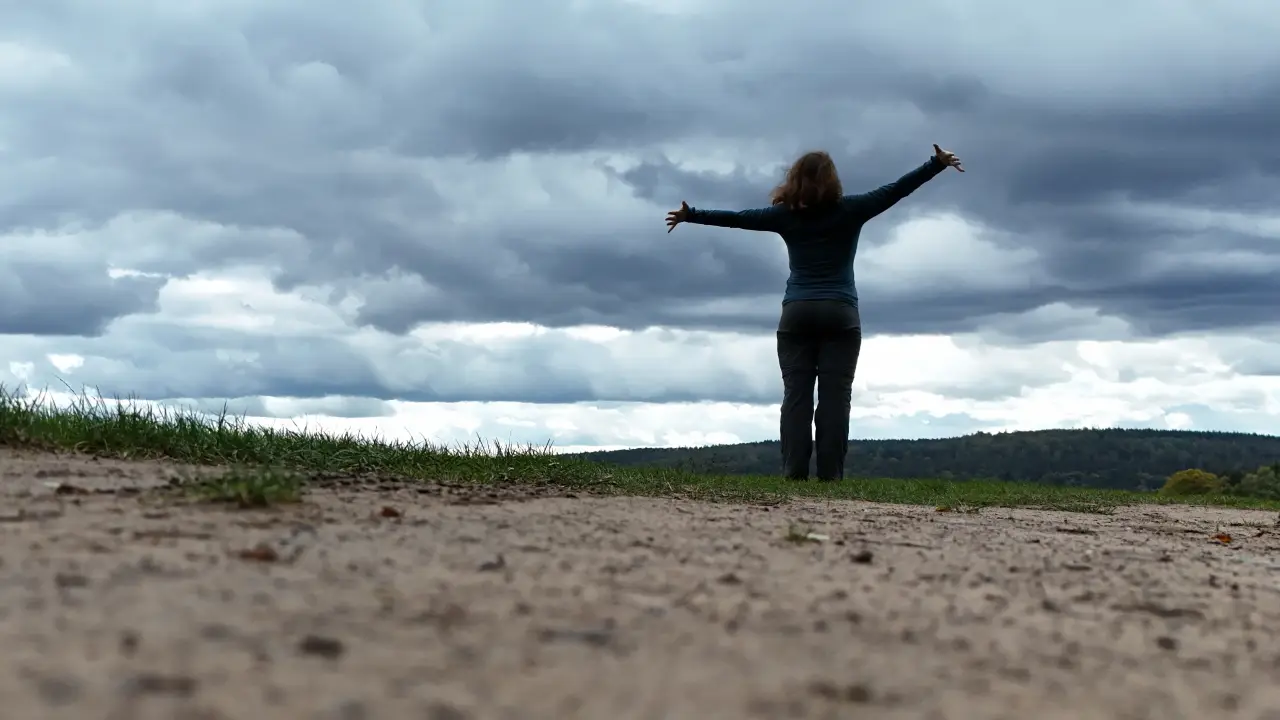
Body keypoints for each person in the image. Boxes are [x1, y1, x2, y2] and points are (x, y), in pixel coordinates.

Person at [665, 144, 963, 481]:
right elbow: (896, 190)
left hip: (797, 314)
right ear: (833, 180)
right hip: (841, 313)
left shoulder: (783, 216)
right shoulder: (853, 209)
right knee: (836, 397)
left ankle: (793, 473)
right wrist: (935, 164)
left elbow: (739, 219)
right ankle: (830, 476)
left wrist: (693, 214)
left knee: (797, 395)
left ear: (794, 179)